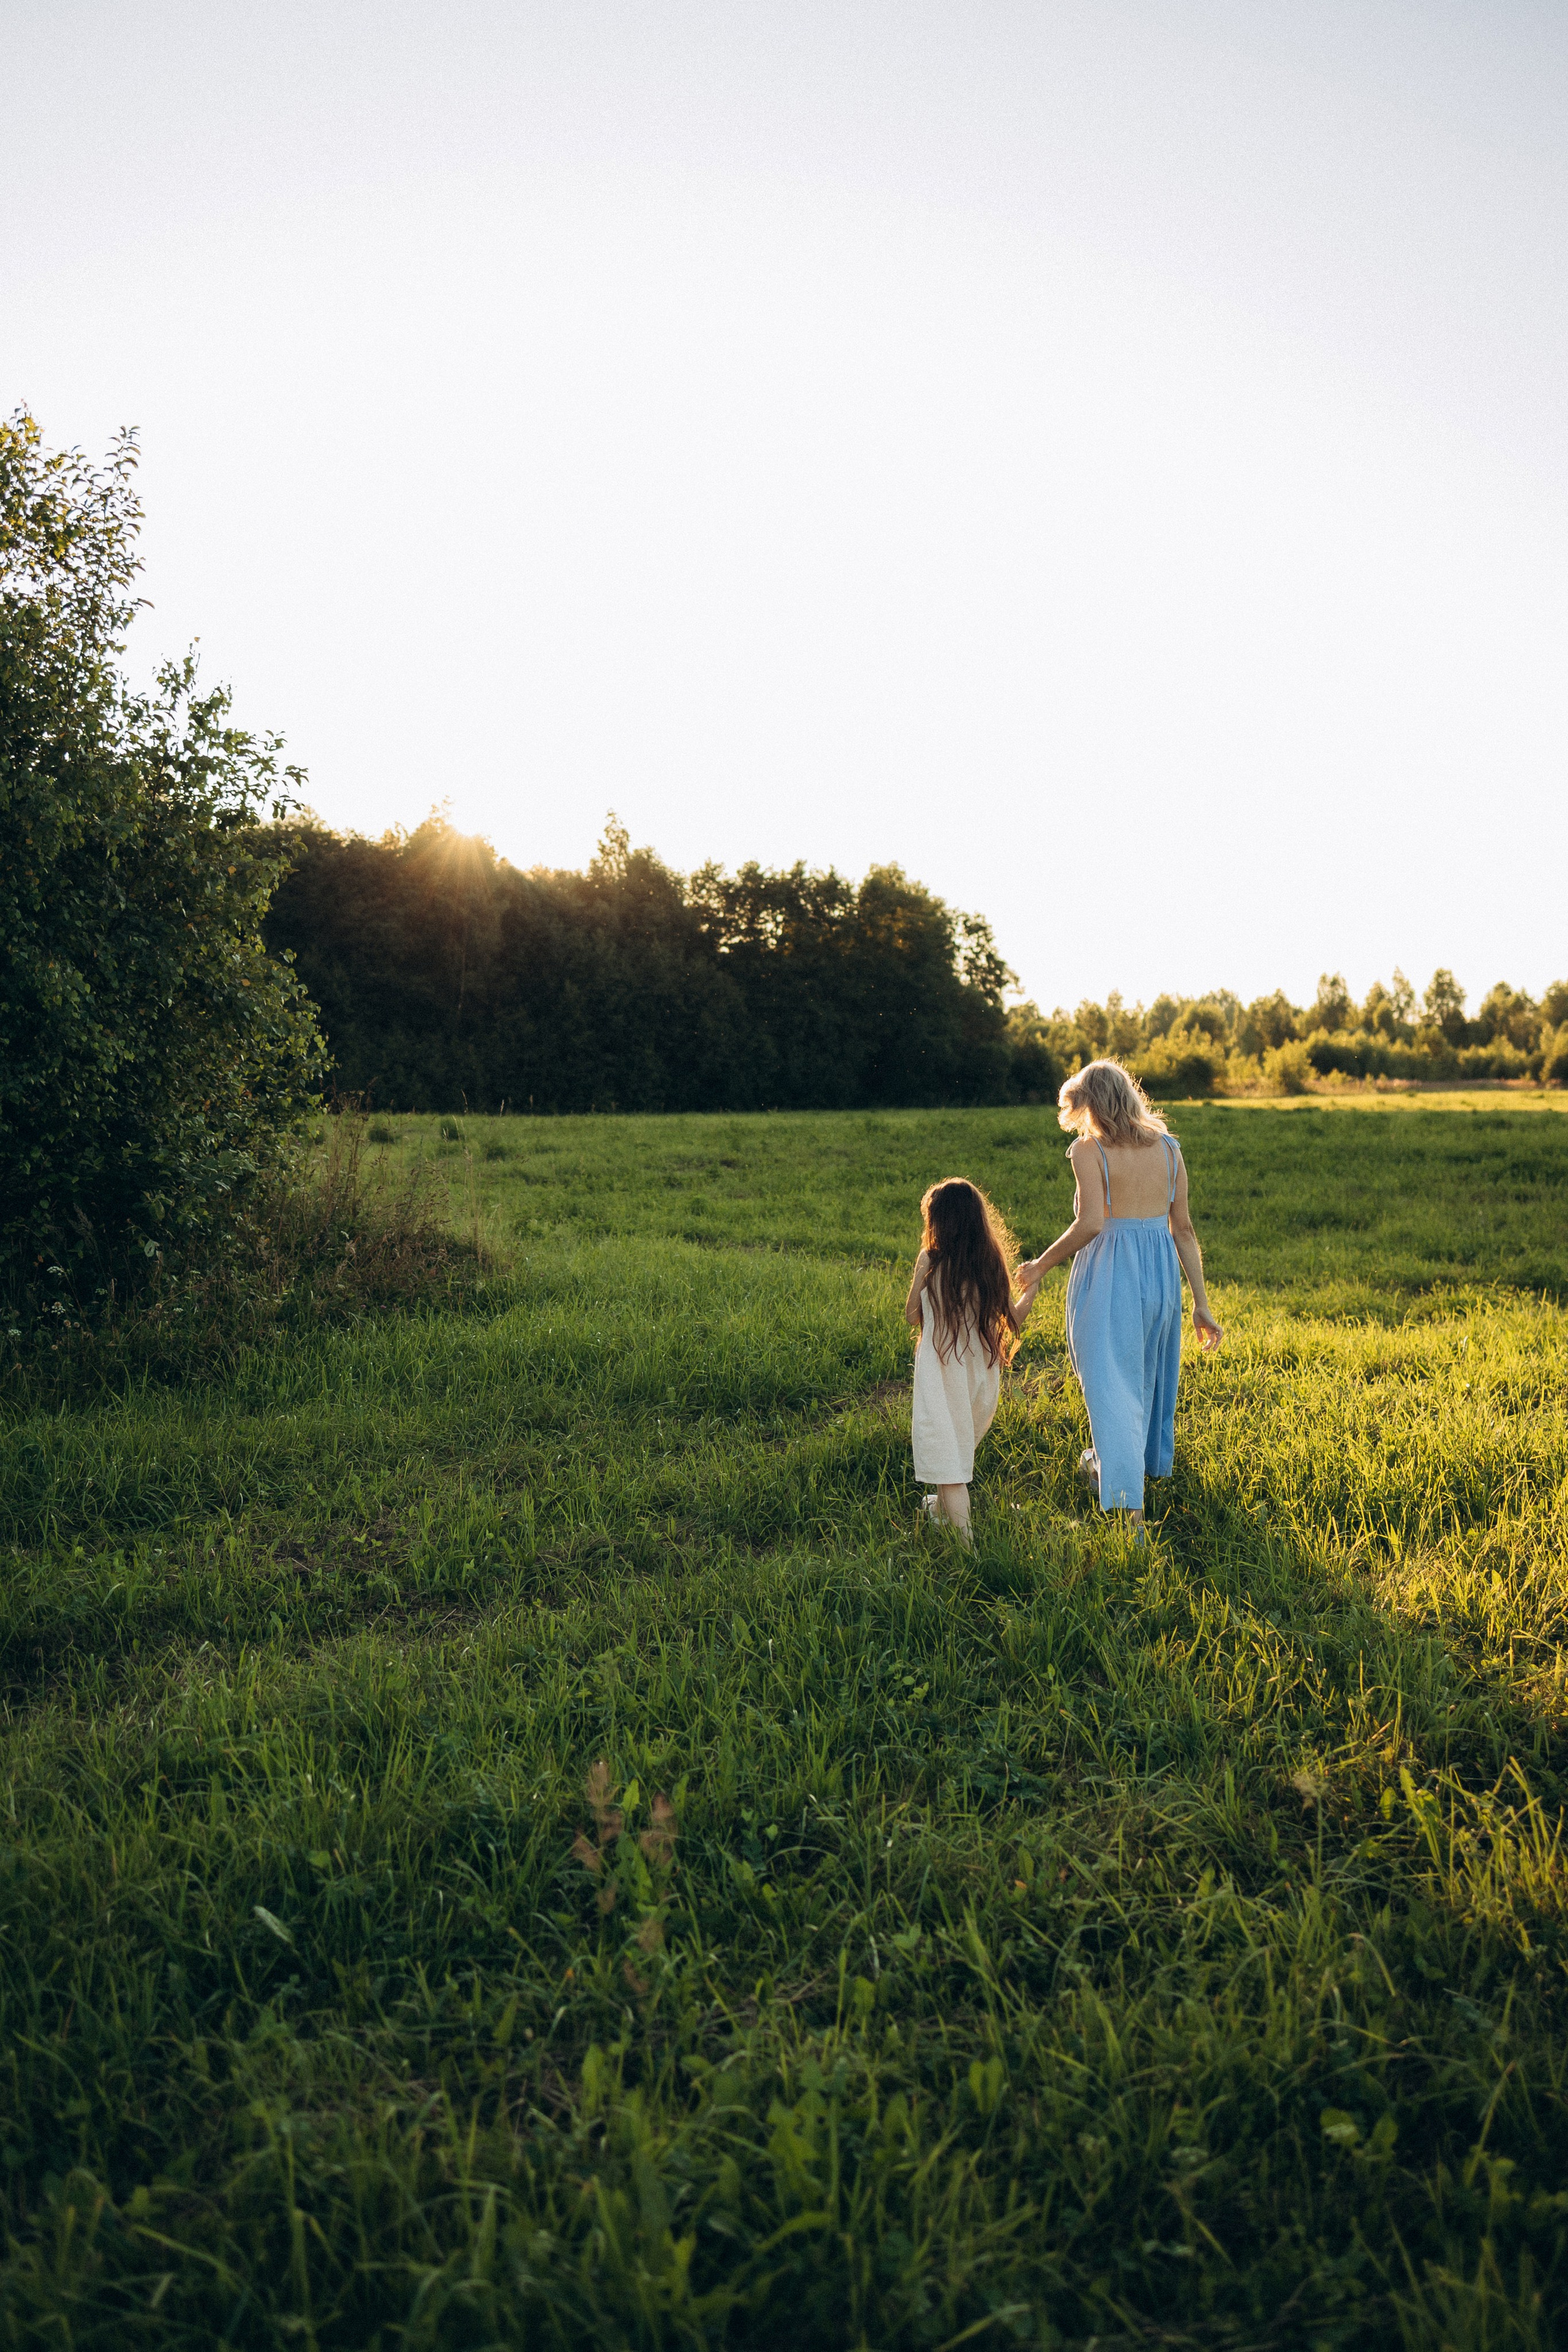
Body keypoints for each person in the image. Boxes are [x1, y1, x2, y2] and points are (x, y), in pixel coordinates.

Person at [1016, 1060, 1221, 1536]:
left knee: (1110, 1386)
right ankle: (1107, 1466)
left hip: (1110, 1272)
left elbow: (1090, 1223)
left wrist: (1040, 1266)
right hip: (1161, 1276)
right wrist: (1201, 1304)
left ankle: (1133, 1519)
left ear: (1090, 1103)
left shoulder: (1089, 1150)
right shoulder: (1169, 1148)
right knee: (1144, 1381)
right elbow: (1184, 1229)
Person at [905, 1177, 1041, 1542]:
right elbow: (1012, 1319)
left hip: (941, 1369)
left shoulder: (930, 1260)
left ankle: (967, 1551)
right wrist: (1033, 1291)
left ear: (939, 1222)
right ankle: (939, 1508)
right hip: (980, 1370)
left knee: (949, 1464)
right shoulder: (989, 1263)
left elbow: (912, 1316)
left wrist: (923, 1277)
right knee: (954, 1449)